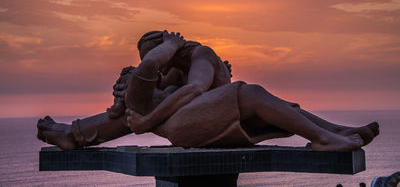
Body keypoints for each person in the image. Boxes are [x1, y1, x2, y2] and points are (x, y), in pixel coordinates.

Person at [38, 31, 379, 152]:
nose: (148, 60)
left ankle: (333, 131)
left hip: (187, 123)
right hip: (184, 126)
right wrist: (145, 112)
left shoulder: (198, 55)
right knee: (254, 95)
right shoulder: (170, 70)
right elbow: (177, 92)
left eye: (151, 50)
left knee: (272, 102)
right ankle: (325, 137)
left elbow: (196, 91)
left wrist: (147, 119)